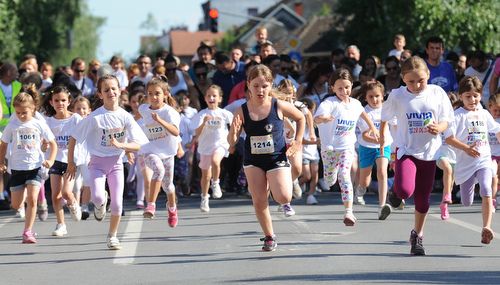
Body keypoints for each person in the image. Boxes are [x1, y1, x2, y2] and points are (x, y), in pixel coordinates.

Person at [380, 56, 455, 255]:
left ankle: (417, 236)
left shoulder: (437, 93)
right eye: (411, 81)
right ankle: (395, 193)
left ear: (428, 75)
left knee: (423, 200)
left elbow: (447, 118)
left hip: (430, 153)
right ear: (403, 79)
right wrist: (384, 143)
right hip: (407, 150)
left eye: (421, 80)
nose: (416, 85)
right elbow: (384, 118)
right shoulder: (397, 95)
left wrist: (439, 127)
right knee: (405, 190)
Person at [66, 75, 148, 250]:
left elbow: (139, 144)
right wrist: (70, 162)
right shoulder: (95, 117)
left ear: (120, 91)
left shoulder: (125, 117)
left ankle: (112, 236)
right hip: (96, 165)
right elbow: (73, 137)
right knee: (97, 197)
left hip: (117, 164)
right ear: (100, 94)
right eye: (106, 90)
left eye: (113, 89)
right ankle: (100, 203)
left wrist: (123, 146)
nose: (111, 92)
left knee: (118, 203)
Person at [228, 64, 305, 251]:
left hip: (276, 157)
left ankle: (277, 182)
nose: (260, 90)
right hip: (253, 160)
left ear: (270, 85)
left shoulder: (278, 105)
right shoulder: (242, 110)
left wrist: (297, 142)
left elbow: (300, 117)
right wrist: (235, 132)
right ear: (248, 85)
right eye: (255, 86)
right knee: (259, 200)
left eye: (264, 86)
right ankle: (269, 236)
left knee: (283, 196)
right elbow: (231, 144)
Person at [314, 68, 379, 226]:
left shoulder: (355, 104)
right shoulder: (329, 103)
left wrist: (373, 128)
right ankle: (330, 176)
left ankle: (349, 212)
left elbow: (364, 114)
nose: (344, 91)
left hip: (347, 147)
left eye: (347, 87)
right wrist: (324, 118)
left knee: (344, 174)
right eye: (340, 88)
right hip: (329, 149)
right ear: (333, 88)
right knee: (330, 180)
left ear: (351, 86)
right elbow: (316, 118)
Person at [445, 76, 500, 244]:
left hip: (483, 159)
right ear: (461, 96)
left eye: (476, 95)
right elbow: (449, 139)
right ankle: (470, 186)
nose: (473, 99)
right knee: (466, 201)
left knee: (486, 188)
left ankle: (487, 227)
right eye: (468, 96)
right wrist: (466, 148)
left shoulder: (483, 113)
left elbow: (497, 130)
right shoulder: (457, 115)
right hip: (465, 163)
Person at [0, 84, 57, 243]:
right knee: (15, 204)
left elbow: (53, 144)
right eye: (18, 113)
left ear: (32, 109)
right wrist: (1, 162)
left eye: (24, 112)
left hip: (35, 167)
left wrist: (51, 159)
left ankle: (28, 231)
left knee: (32, 200)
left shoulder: (39, 124)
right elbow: (3, 144)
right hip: (17, 168)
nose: (21, 116)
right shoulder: (12, 125)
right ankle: (21, 203)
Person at [41, 86, 83, 236]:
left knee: (66, 192)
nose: (60, 103)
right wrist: (44, 145)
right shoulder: (48, 121)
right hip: (55, 161)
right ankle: (61, 224)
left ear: (69, 101)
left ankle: (73, 203)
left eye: (63, 100)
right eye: (57, 100)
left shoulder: (76, 119)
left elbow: (84, 138)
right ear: (51, 102)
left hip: (71, 161)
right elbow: (44, 142)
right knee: (55, 194)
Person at [138, 78, 180, 227]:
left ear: (165, 94)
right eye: (150, 93)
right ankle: (151, 205)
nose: (153, 97)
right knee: (158, 170)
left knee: (168, 186)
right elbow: (136, 122)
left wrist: (160, 121)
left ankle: (172, 208)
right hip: (149, 150)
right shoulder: (143, 109)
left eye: (157, 93)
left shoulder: (170, 112)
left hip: (167, 153)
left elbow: (176, 132)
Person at [191, 85, 233, 212]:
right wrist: (204, 122)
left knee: (216, 161)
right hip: (205, 147)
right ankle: (204, 197)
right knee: (205, 176)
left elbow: (234, 127)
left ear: (220, 98)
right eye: (208, 95)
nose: (211, 98)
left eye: (214, 95)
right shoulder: (202, 114)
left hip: (220, 144)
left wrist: (232, 143)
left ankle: (216, 184)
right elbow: (197, 133)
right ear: (205, 98)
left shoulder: (224, 113)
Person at [355, 81, 393, 220]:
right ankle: (361, 188)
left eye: (377, 96)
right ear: (366, 97)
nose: (374, 99)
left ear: (383, 96)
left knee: (382, 172)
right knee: (365, 180)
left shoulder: (387, 110)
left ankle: (382, 205)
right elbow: (365, 134)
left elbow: (395, 126)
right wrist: (377, 140)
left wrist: (390, 145)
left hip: (384, 146)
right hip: (366, 147)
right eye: (371, 96)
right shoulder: (364, 112)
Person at [436, 92, 460, 220]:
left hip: (454, 155)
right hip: (440, 153)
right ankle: (447, 196)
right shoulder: (437, 118)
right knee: (447, 169)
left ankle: (444, 205)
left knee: (450, 183)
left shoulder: (457, 119)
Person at [70, 96, 92, 220]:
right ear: (73, 110)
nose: (81, 111)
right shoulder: (72, 122)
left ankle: (85, 206)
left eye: (84, 108)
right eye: (78, 108)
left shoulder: (91, 122)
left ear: (89, 110)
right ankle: (76, 207)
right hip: (75, 157)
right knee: (76, 185)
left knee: (88, 181)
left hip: (88, 156)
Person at [298, 97, 320, 205]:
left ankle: (311, 195)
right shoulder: (299, 123)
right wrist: (315, 142)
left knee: (315, 174)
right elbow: (301, 140)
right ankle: (296, 185)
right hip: (303, 153)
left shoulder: (315, 124)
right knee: (307, 175)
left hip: (314, 153)